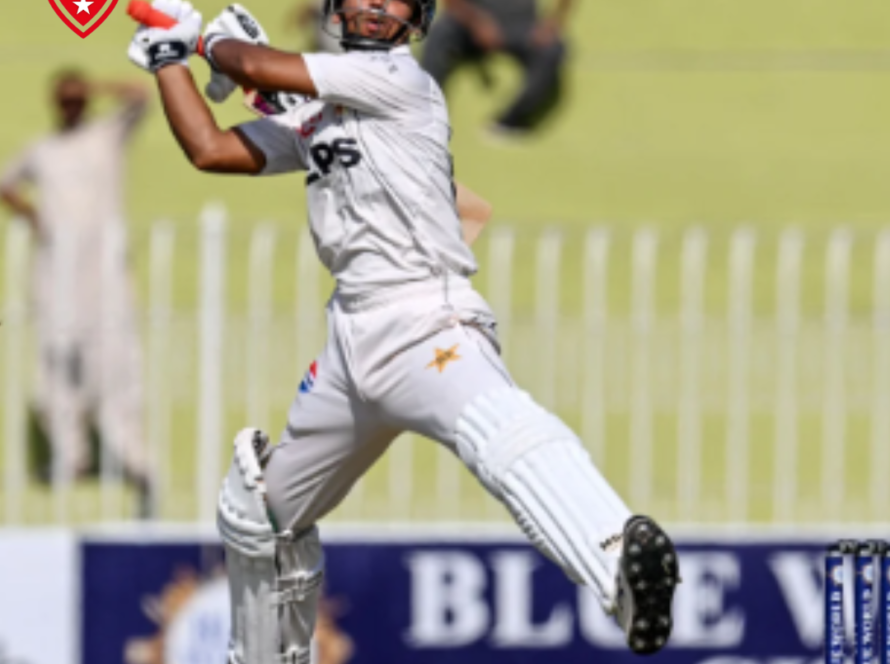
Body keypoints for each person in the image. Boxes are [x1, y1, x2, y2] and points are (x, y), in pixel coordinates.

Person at [126, 0, 679, 661]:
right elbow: (211, 149)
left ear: (414, 18)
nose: (372, 6)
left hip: (426, 321)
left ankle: (618, 563)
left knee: (497, 429)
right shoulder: (316, 115)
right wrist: (168, 61)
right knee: (259, 515)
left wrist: (207, 43)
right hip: (348, 343)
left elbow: (257, 65)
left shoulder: (401, 81)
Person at [0, 71, 154, 517]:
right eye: (63, 100)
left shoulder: (105, 135)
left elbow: (142, 96)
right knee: (56, 362)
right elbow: (5, 183)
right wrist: (31, 215)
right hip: (57, 269)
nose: (70, 106)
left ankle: (134, 458)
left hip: (105, 270)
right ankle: (71, 456)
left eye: (75, 99)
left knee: (118, 365)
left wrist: (96, 88)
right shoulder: (42, 150)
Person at [421, 0, 573, 135]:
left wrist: (553, 23)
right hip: (470, 18)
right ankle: (424, 111)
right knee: (441, 33)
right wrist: (477, 23)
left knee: (552, 49)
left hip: (522, 23)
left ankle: (511, 121)